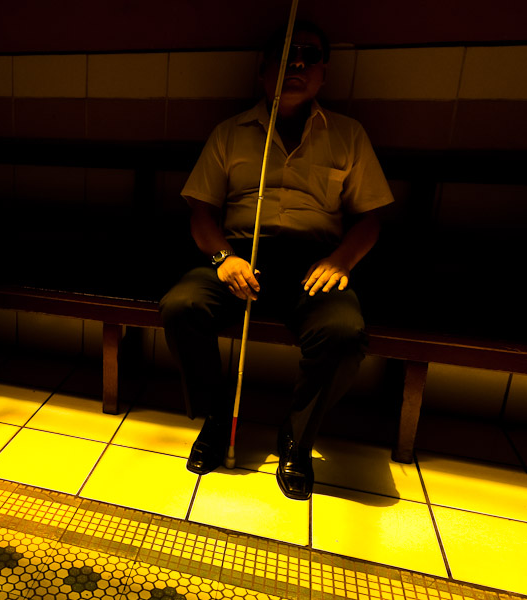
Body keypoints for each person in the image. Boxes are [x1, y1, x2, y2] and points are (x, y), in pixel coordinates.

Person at [159, 21, 394, 500]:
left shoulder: (348, 135)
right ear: (262, 71)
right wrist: (223, 257)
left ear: (324, 73)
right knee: (181, 306)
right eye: (286, 55)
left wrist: (341, 261)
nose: (299, 64)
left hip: (314, 263)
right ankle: (217, 417)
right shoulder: (230, 133)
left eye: (310, 55)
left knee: (344, 334)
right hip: (239, 255)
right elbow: (201, 211)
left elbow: (371, 217)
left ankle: (297, 436)